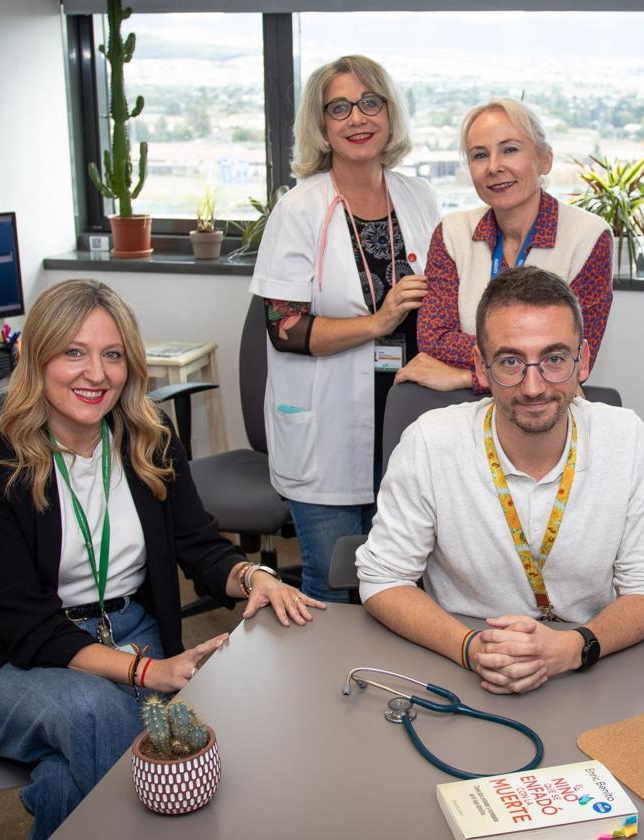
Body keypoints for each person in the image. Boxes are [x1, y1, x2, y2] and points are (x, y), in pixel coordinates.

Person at [0, 279, 325, 839]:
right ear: (36, 360)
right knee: (103, 719)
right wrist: (146, 671)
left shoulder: (149, 442)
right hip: (16, 658)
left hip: (131, 627)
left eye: (112, 355)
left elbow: (198, 544)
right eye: (73, 353)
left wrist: (253, 575)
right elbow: (27, 625)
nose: (96, 373)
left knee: (73, 778)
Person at [356, 267, 644, 694]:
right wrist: (472, 648)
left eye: (554, 359)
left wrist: (572, 649)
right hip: (461, 660)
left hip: (589, 661)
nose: (533, 386)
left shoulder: (626, 437)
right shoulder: (431, 442)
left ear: (581, 361)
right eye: (509, 361)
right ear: (480, 367)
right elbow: (384, 578)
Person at [251, 55, 439, 602]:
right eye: (340, 108)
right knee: (332, 585)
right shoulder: (300, 209)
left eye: (370, 102)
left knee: (403, 584)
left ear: (389, 113)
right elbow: (282, 326)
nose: (358, 118)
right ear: (322, 125)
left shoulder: (418, 198)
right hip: (326, 427)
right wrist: (377, 322)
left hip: (406, 415)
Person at [397, 99, 613, 392]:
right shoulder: (452, 234)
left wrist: (467, 376)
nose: (494, 167)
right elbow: (434, 340)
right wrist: (532, 358)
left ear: (544, 160)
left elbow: (573, 360)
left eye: (509, 150)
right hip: (461, 415)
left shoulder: (588, 238)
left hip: (546, 414)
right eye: (479, 155)